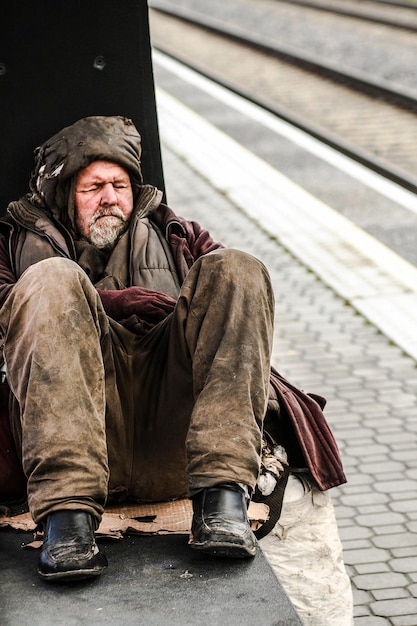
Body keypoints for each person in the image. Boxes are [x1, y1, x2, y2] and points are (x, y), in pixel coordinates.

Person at [0, 115, 346, 583]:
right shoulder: (12, 241)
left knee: (237, 267)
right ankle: (68, 524)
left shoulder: (176, 232)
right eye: (93, 186)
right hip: (78, 435)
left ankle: (222, 500)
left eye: (120, 185)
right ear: (64, 195)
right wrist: (110, 303)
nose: (110, 198)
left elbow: (233, 300)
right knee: (48, 280)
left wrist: (174, 307)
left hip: (175, 439)